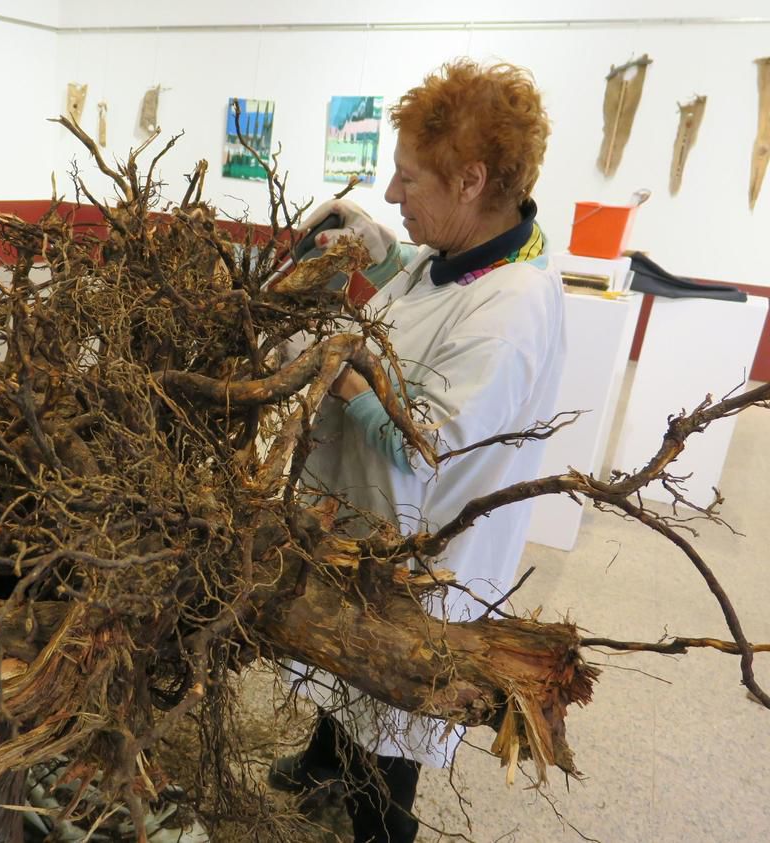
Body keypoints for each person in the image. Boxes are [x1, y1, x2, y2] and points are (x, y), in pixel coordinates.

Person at [269, 60, 567, 843]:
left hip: (425, 546)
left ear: (469, 181)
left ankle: (381, 825)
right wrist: (380, 253)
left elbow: (423, 446)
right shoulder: (480, 251)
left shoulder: (513, 314)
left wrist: (329, 367)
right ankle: (323, 760)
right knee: (342, 651)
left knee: (393, 687)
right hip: (365, 518)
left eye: (407, 180)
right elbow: (432, 288)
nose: (394, 197)